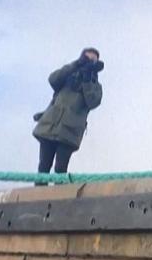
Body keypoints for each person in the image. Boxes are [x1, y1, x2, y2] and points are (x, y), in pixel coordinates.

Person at [32, 48, 104, 182]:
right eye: (86, 58)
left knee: (60, 168)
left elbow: (93, 102)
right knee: (43, 167)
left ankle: (60, 198)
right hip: (50, 126)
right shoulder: (68, 77)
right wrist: (76, 64)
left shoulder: (95, 86)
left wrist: (88, 81)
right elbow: (53, 79)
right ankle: (39, 195)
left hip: (70, 131)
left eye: (92, 60)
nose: (88, 62)